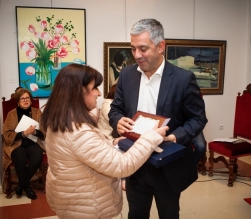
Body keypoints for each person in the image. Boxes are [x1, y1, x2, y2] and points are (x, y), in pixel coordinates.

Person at [41, 63, 169, 219]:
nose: (98, 93)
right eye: (95, 88)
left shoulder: (59, 120)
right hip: (88, 206)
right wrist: (151, 137)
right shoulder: (79, 132)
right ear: (80, 91)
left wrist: (112, 143)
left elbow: (81, 151)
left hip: (70, 199)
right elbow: (123, 165)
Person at [109, 19, 208, 219]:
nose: (137, 55)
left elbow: (198, 119)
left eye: (143, 49)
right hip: (135, 162)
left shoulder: (183, 79)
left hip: (167, 165)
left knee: (169, 214)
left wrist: (174, 137)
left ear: (160, 46)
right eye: (133, 48)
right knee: (136, 213)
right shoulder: (127, 75)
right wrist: (117, 120)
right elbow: (115, 109)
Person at [3, 88, 45, 200]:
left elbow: (45, 131)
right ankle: (27, 188)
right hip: (16, 144)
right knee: (20, 159)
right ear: (18, 101)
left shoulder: (37, 112)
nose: (25, 100)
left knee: (37, 158)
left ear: (31, 100)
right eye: (22, 98)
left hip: (33, 141)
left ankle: (21, 185)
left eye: (27, 98)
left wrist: (35, 132)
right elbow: (6, 135)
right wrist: (23, 133)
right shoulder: (11, 114)